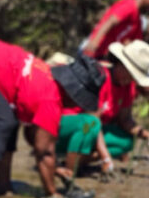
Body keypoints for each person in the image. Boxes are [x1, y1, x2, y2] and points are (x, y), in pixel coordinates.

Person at [0, 34, 106, 198]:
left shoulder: (49, 80)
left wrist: (54, 168)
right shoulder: (51, 98)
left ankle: (3, 186)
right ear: (75, 94)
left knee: (9, 121)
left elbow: (33, 136)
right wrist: (52, 193)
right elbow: (43, 151)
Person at [60, 40, 149, 172]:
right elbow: (92, 120)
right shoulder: (99, 78)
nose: (130, 78)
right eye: (129, 72)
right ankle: (70, 166)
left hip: (95, 130)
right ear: (120, 63)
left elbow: (125, 120)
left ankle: (79, 160)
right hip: (74, 126)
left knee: (127, 141)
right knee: (91, 125)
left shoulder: (128, 87)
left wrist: (145, 134)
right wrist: (106, 156)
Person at [82, 0, 149, 59]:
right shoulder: (130, 6)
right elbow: (110, 22)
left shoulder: (138, 22)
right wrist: (94, 42)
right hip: (95, 51)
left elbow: (134, 44)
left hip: (105, 56)